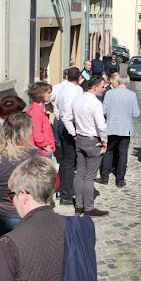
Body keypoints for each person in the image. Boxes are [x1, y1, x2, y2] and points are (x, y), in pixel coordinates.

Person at [0, 156, 97, 281]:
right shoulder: (72, 227)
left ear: (23, 195)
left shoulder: (8, 245)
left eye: (12, 195)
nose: (13, 201)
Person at [0, 112, 50, 251]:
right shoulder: (36, 155)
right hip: (27, 216)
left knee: (1, 264)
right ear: (26, 131)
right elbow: (53, 185)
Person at [69, 76, 109, 217]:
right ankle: (88, 207)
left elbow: (68, 118)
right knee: (90, 176)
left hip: (80, 139)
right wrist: (104, 141)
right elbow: (102, 126)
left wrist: (74, 133)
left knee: (80, 173)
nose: (104, 90)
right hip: (93, 141)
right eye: (103, 87)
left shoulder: (77, 100)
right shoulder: (96, 104)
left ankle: (79, 206)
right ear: (95, 87)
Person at [97, 74, 140, 187]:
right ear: (127, 83)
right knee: (122, 154)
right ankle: (120, 180)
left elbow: (104, 111)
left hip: (111, 127)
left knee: (108, 152)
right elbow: (136, 113)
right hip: (125, 129)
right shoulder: (132, 94)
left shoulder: (110, 93)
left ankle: (105, 177)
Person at [57, 67, 83, 206]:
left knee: (64, 160)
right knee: (69, 162)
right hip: (68, 126)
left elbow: (56, 106)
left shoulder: (63, 88)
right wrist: (73, 133)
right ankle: (66, 195)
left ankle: (61, 189)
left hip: (61, 123)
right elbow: (67, 114)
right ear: (79, 78)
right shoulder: (73, 91)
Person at [27, 81, 56, 156]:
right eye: (48, 93)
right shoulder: (36, 111)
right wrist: (47, 148)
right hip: (42, 152)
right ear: (41, 94)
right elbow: (37, 135)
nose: (50, 95)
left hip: (43, 151)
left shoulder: (39, 109)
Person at [50, 69, 70, 157]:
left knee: (57, 137)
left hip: (58, 116)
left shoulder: (57, 87)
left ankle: (59, 156)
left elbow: (49, 99)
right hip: (70, 117)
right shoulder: (77, 88)